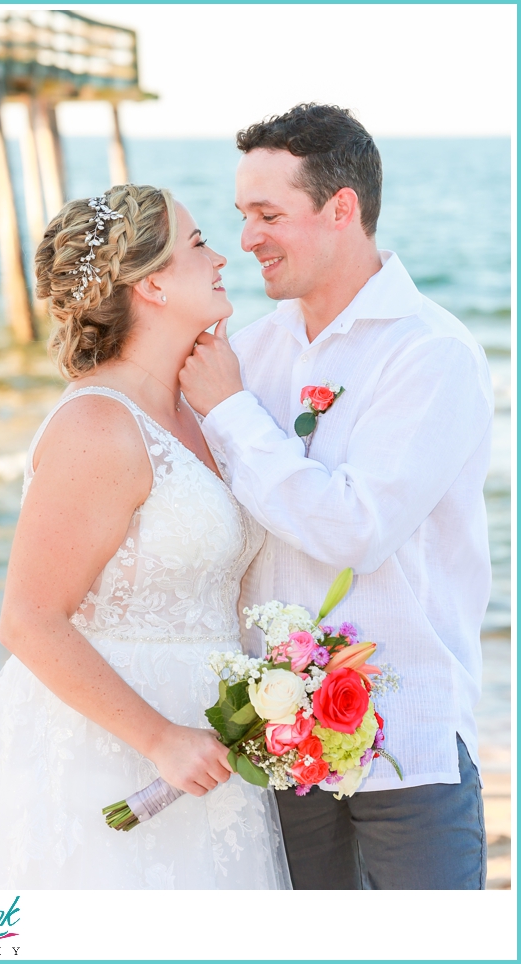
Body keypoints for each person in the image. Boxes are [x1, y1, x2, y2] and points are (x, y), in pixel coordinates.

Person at [0, 185, 291, 889]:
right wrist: (159, 739)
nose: (222, 255)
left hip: (210, 742)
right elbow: (28, 620)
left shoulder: (202, 405)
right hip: (111, 745)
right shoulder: (98, 424)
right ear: (152, 282)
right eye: (196, 244)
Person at [180, 104, 491, 890]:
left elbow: (356, 528)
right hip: (274, 750)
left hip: (407, 748)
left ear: (342, 208)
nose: (246, 238)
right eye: (242, 215)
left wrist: (229, 413)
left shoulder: (432, 354)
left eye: (268, 214)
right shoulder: (246, 354)